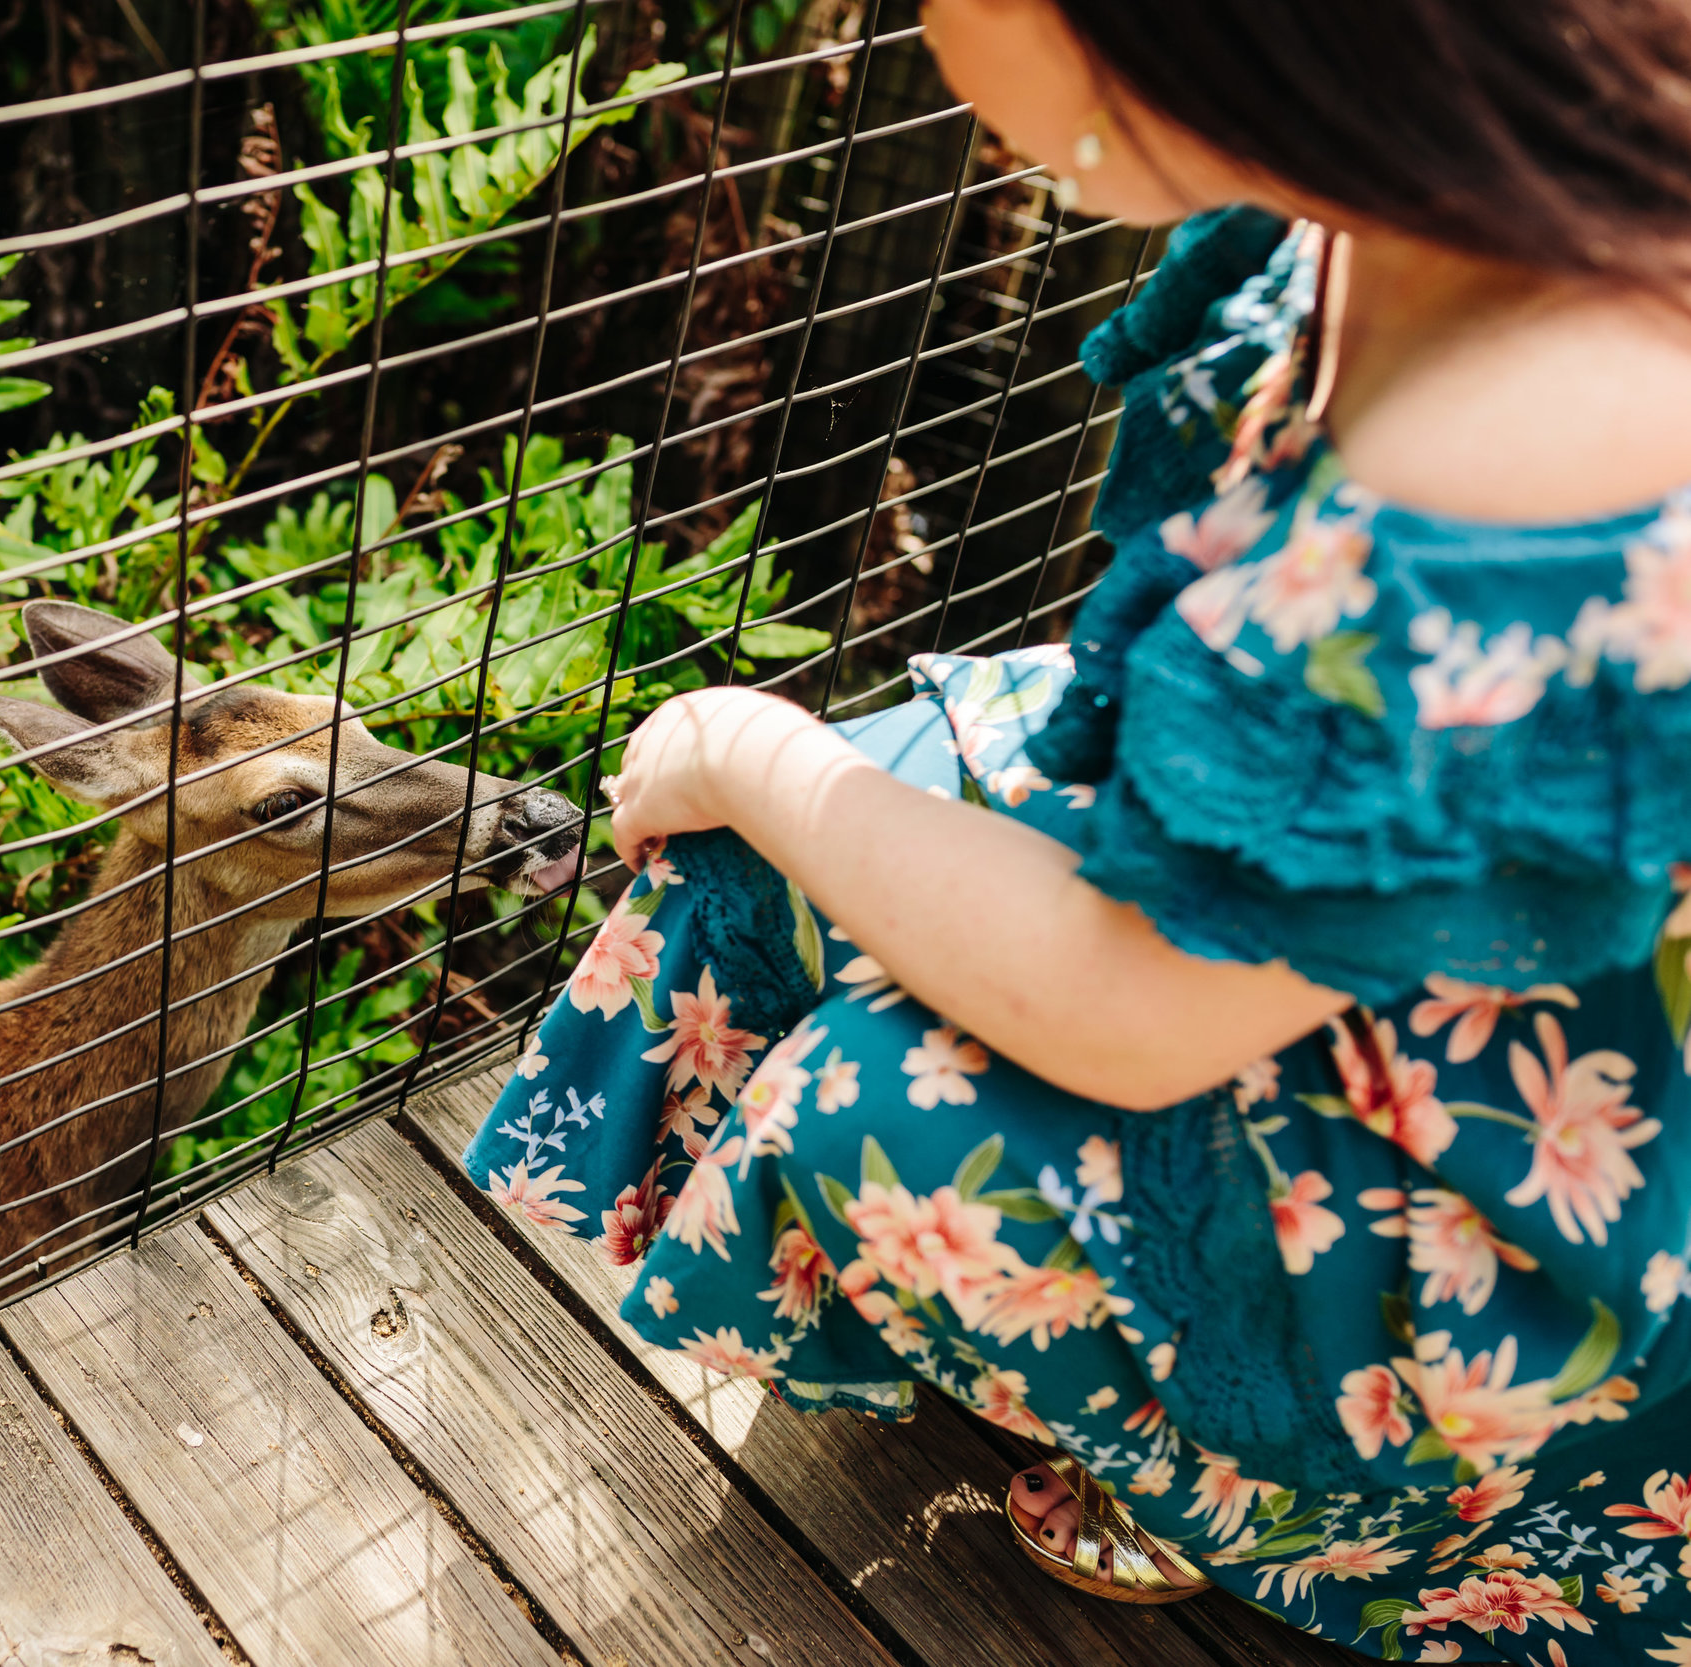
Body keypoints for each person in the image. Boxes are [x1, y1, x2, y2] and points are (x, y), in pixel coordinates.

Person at [462, 0, 1691, 1655]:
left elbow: (1133, 1013)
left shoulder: (1532, 444)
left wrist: (757, 753)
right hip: (1392, 944)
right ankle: (1092, 1374)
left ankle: (1225, 1462)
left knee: (877, 1105)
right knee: (854, 798)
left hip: (1543, 1157)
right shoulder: (1433, 164)